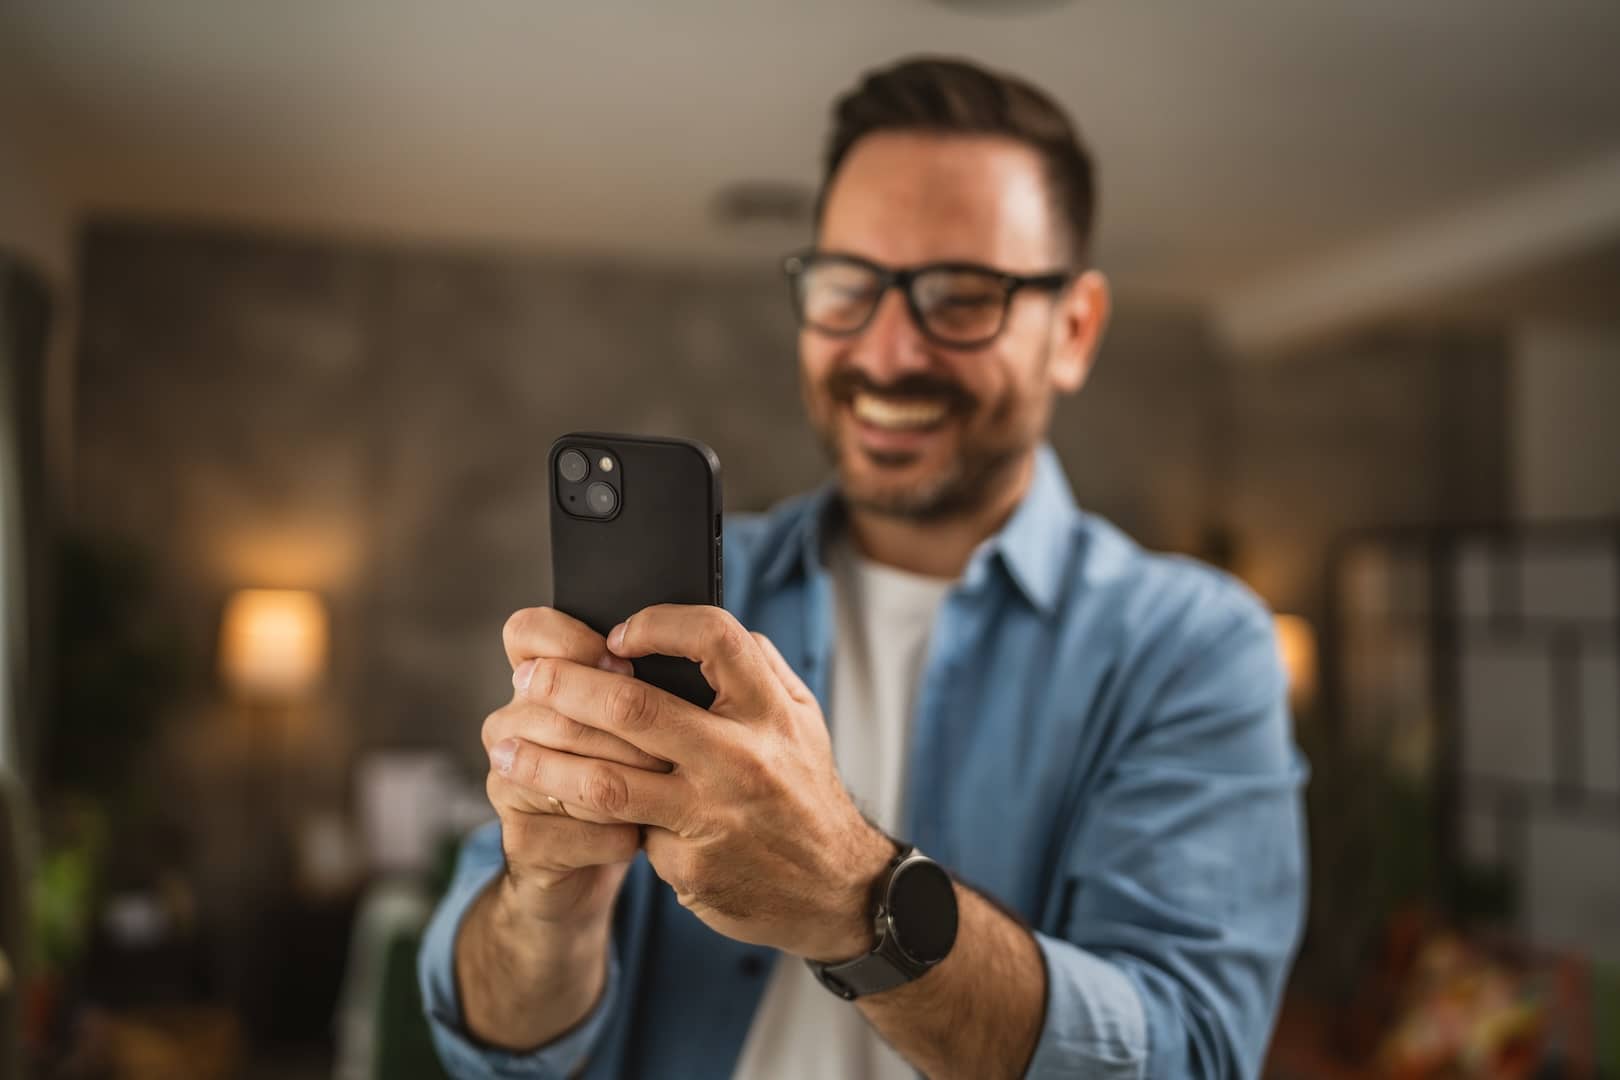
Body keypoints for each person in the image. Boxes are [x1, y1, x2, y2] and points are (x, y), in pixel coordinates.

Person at [418, 55, 1307, 1079]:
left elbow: (1188, 1056)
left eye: (962, 296)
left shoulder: (1192, 647)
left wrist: (852, 895)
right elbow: (487, 1051)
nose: (885, 353)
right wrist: (551, 900)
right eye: (848, 286)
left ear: (1073, 329)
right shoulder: (689, 604)